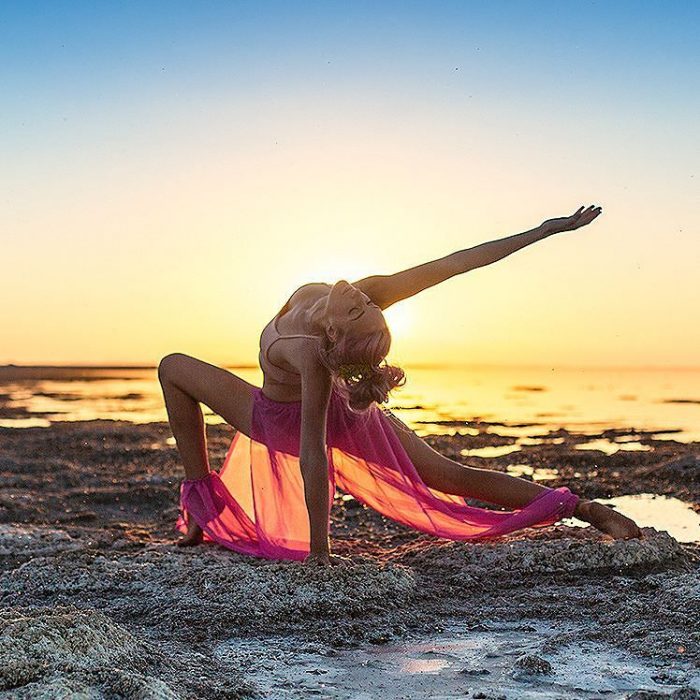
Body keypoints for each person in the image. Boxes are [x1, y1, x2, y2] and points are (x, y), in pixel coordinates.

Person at [158, 204, 642, 567]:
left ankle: (586, 509)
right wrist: (544, 230)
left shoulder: (311, 353)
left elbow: (311, 453)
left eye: (357, 308)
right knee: (173, 367)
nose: (356, 294)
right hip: (315, 407)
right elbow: (453, 263)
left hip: (284, 421)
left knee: (447, 476)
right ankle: (203, 507)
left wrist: (320, 554)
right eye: (364, 306)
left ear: (332, 334)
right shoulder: (355, 299)